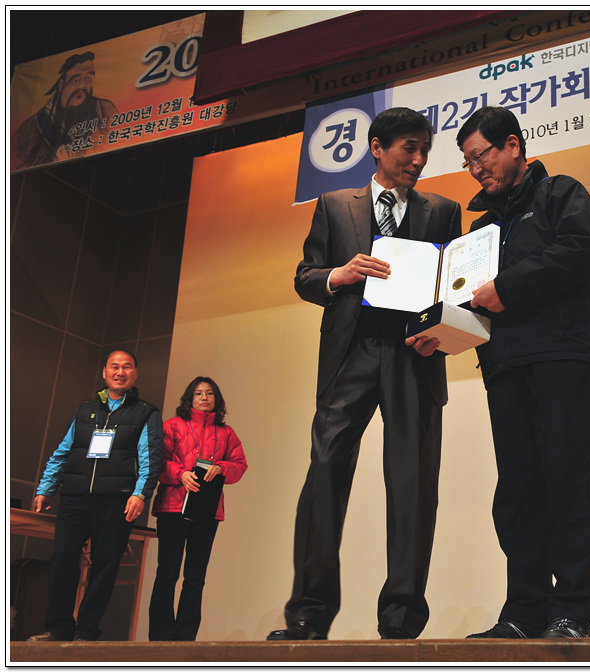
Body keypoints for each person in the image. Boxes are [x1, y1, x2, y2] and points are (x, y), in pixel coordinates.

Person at [268, 107, 462, 641]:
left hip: (414, 357)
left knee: (413, 484)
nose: (418, 160)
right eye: (408, 148)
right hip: (348, 354)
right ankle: (308, 615)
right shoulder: (334, 205)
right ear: (377, 147)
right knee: (324, 475)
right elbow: (305, 277)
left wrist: (445, 327)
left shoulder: (444, 211)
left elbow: (454, 285)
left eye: (425, 150)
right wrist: (340, 273)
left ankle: (401, 619)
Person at [456, 106, 590, 639]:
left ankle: (572, 611)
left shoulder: (561, 192)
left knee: (567, 481)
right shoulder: (479, 230)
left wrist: (507, 288)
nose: (477, 168)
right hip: (504, 365)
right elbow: (470, 300)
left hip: (563, 357)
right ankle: (524, 611)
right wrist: (442, 329)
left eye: (482, 155)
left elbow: (577, 252)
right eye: (468, 162)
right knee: (517, 493)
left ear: (513, 145)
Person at [28, 350, 164, 642]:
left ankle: (86, 631)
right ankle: (58, 627)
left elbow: (151, 459)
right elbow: (63, 450)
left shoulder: (146, 412)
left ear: (135, 374)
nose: (120, 372)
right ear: (104, 372)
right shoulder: (85, 409)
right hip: (75, 497)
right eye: (114, 366)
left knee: (104, 567)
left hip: (116, 501)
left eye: (127, 367)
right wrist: (45, 488)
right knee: (63, 559)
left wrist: (140, 494)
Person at [148, 376, 248, 641]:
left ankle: (185, 637)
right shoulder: (173, 425)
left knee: (195, 577)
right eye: (198, 393)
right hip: (172, 507)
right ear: (189, 399)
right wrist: (180, 474)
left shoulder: (226, 433)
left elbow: (240, 465)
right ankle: (160, 635)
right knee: (167, 573)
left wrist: (222, 468)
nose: (204, 397)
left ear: (217, 399)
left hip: (207, 510)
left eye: (210, 393)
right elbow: (158, 461)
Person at [12, 51, 118, 170]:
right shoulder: (33, 127)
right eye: (76, 80)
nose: (83, 86)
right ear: (61, 85)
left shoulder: (103, 111)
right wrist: (51, 159)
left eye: (88, 78)